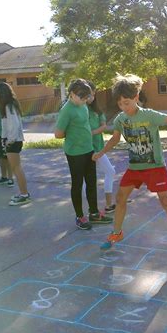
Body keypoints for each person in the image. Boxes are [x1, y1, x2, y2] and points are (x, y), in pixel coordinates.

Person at [92, 73, 167, 254]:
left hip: (155, 167)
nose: (124, 107)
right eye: (120, 103)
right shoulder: (120, 119)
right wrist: (101, 152)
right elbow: (115, 139)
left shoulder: (149, 115)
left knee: (166, 201)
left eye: (127, 103)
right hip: (135, 168)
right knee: (120, 198)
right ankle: (117, 233)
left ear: (136, 98)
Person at [55, 79, 112, 229]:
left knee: (92, 182)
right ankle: (80, 217)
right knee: (77, 184)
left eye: (87, 98)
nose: (85, 100)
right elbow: (58, 134)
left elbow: (85, 124)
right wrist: (75, 135)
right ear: (72, 94)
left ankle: (93, 213)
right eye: (82, 97)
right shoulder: (67, 110)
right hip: (75, 153)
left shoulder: (83, 105)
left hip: (89, 150)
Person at [0, 82, 31, 206]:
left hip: (13, 141)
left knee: (16, 168)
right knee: (16, 168)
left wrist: (9, 141)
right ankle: (23, 193)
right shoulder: (8, 106)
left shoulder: (9, 106)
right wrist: (4, 140)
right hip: (11, 141)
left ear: (1, 93)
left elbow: (14, 126)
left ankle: (24, 195)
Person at [86, 81, 116, 213]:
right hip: (85, 148)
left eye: (93, 94)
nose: (91, 97)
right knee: (86, 179)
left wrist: (92, 133)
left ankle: (109, 205)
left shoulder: (97, 110)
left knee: (110, 171)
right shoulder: (79, 109)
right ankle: (87, 209)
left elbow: (104, 126)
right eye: (88, 94)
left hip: (98, 148)